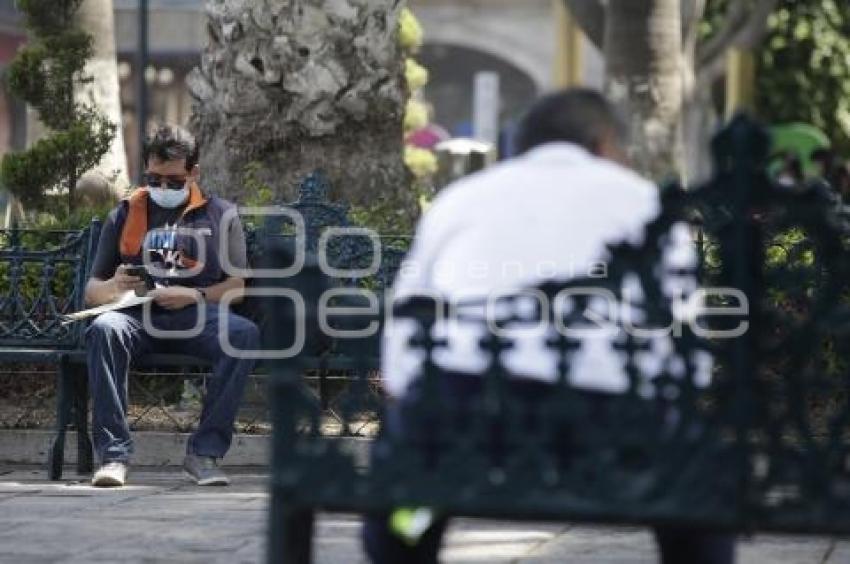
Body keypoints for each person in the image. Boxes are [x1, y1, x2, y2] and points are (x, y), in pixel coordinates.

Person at [366, 89, 733, 563]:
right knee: (697, 491)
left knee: (404, 495)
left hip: (468, 424)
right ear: (603, 144)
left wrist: (412, 403)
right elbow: (688, 355)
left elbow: (405, 326)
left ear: (521, 146)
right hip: (617, 429)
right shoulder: (649, 205)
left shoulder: (462, 199)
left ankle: (410, 532)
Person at [84, 124, 259, 488]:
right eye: (154, 178)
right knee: (104, 328)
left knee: (243, 334)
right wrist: (115, 285)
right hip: (137, 316)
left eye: (174, 181)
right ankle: (113, 457)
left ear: (194, 173)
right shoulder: (124, 214)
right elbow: (92, 292)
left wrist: (193, 295)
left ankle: (204, 454)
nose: (162, 188)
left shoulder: (222, 215)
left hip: (199, 316)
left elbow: (237, 288)